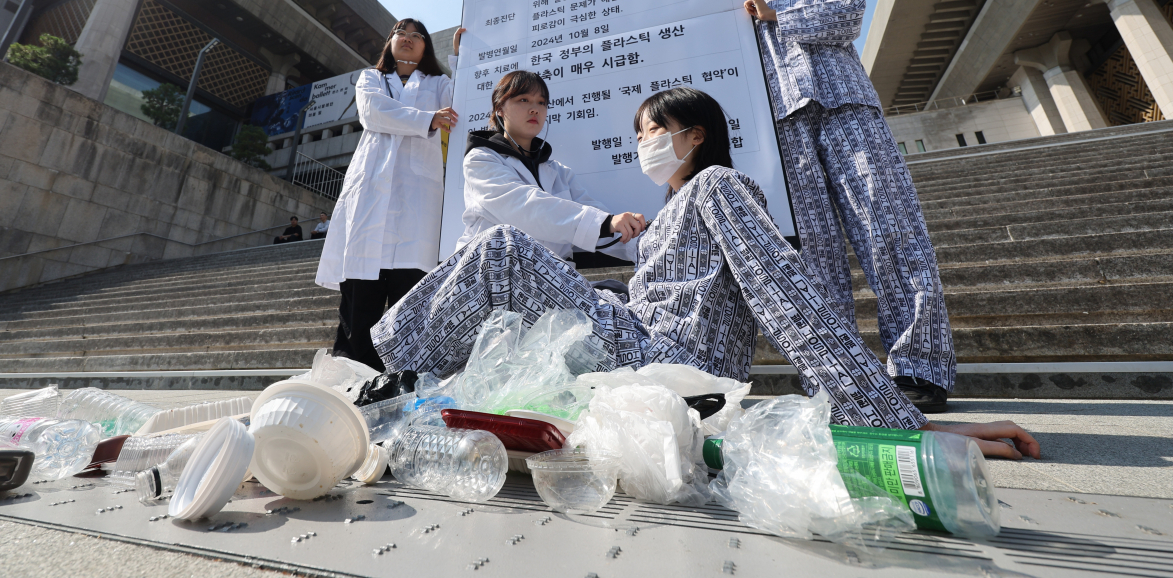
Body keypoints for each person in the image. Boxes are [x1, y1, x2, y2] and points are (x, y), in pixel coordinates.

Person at [372, 87, 1037, 458]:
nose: (642, 144)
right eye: (638, 135)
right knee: (536, 286)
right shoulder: (669, 213)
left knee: (504, 249)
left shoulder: (717, 184)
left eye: (651, 130)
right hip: (643, 353)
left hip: (678, 369)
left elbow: (786, 293)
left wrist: (896, 423)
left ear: (694, 135)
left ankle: (386, 378)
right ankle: (414, 389)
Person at [742, 0, 955, 412]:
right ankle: (833, 375)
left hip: (848, 112)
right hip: (785, 130)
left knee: (891, 229)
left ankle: (920, 367)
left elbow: (846, 20)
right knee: (812, 257)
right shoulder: (741, 16)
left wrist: (775, 15)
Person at [315, 19, 462, 370]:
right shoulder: (372, 79)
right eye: (401, 33)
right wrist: (428, 119)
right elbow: (372, 113)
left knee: (409, 301)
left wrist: (461, 58)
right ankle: (350, 381)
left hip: (417, 202)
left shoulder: (439, 84)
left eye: (416, 35)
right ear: (390, 42)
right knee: (359, 301)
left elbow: (464, 104)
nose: (408, 39)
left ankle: (401, 381)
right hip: (369, 196)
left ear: (427, 46)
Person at [458, 70, 646, 267]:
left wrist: (646, 243)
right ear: (499, 109)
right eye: (523, 100)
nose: (535, 109)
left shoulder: (558, 172)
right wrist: (604, 223)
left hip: (552, 282)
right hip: (495, 277)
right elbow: (525, 207)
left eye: (541, 102)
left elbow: (601, 224)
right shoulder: (481, 160)